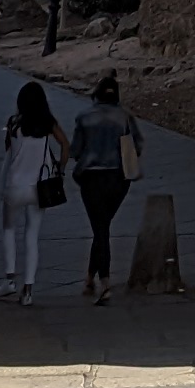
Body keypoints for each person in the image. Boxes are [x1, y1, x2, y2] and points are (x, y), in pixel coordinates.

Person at [67, 69, 143, 305]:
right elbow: (137, 146)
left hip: (91, 178)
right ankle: (90, 278)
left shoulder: (83, 117)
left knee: (100, 229)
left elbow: (76, 151)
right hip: (119, 179)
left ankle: (105, 282)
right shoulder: (125, 117)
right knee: (103, 226)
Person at [0, 81, 64, 307]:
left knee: (8, 229)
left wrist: (1, 186)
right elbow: (65, 144)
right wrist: (60, 170)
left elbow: (8, 153)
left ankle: (10, 279)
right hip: (39, 187)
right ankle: (29, 290)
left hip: (15, 185)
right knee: (32, 235)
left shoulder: (13, 123)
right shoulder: (47, 124)